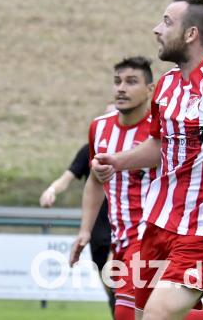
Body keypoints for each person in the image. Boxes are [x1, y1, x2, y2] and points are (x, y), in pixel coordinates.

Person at [93, 0, 203, 320]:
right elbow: (158, 147)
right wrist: (117, 161)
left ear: (191, 34)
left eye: (166, 22)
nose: (156, 30)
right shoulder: (166, 87)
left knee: (157, 316)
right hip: (158, 224)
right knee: (135, 316)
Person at [69, 57, 155, 320]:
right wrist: (85, 230)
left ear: (150, 89)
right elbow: (95, 180)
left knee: (125, 312)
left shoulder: (160, 130)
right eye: (117, 81)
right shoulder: (100, 127)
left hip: (152, 237)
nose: (121, 88)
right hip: (121, 239)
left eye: (131, 82)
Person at [41, 139, 115, 316]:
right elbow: (67, 178)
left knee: (114, 275)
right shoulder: (91, 148)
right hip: (98, 230)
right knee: (111, 291)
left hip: (124, 226)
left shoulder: (137, 147)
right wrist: (51, 191)